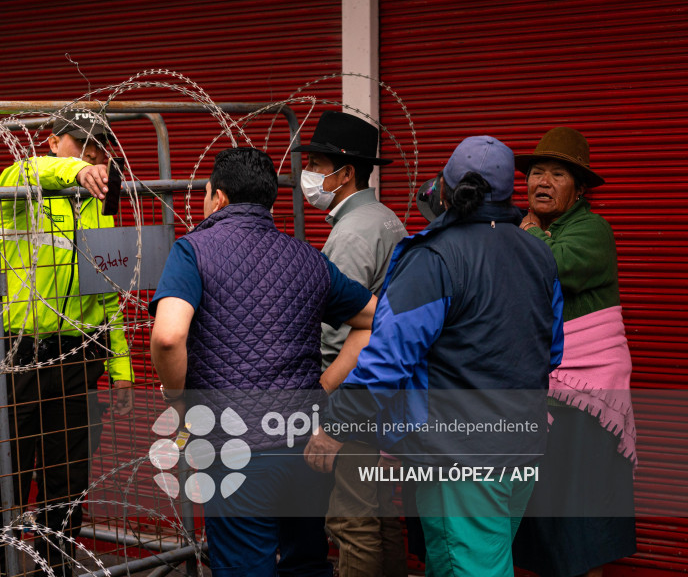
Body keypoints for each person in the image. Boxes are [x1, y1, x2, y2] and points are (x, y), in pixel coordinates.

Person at [305, 135, 565, 577]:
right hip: (523, 442)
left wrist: (335, 425)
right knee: (466, 558)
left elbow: (387, 358)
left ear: (444, 188)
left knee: (471, 567)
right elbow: (552, 349)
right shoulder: (538, 252)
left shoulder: (435, 258)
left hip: (460, 454)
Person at [149, 147, 377, 577]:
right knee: (306, 563)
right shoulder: (308, 258)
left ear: (216, 197)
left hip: (235, 449)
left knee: (243, 567)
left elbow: (168, 335)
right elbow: (373, 321)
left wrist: (180, 399)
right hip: (304, 444)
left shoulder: (192, 251)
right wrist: (324, 387)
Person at [0, 109, 134, 577]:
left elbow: (111, 292)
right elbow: (21, 169)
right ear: (52, 142)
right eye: (81, 145)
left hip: (75, 357)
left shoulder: (102, 205)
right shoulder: (19, 190)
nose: (93, 155)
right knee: (3, 476)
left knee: (67, 481)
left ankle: (56, 567)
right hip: (14, 356)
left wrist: (121, 368)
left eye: (99, 147)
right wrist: (77, 172)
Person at [512, 127, 637, 577]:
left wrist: (527, 234)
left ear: (579, 188)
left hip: (586, 397)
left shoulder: (592, 230)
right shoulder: (522, 225)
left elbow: (552, 269)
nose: (541, 182)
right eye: (536, 172)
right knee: (542, 521)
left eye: (557, 174)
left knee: (578, 525)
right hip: (541, 393)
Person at [293, 110, 408, 577]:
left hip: (353, 391)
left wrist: (325, 396)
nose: (310, 176)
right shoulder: (384, 219)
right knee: (379, 511)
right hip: (383, 388)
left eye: (318, 166)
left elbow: (347, 328)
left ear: (346, 173)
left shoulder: (352, 234)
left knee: (351, 518)